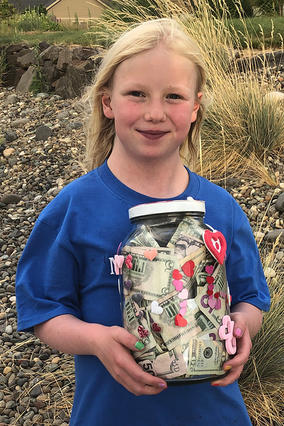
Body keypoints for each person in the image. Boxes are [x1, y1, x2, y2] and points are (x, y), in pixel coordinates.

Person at [16, 18, 270, 426]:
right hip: (110, 414)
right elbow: (42, 309)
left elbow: (252, 297)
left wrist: (243, 326)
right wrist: (95, 340)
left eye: (173, 96)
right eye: (137, 94)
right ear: (108, 102)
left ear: (195, 107)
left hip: (215, 415)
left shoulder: (222, 209)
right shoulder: (74, 207)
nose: (155, 113)